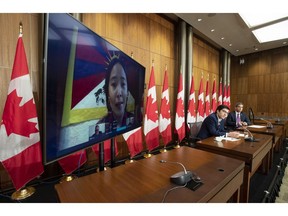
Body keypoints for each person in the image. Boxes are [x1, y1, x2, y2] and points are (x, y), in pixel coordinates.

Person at [98, 56, 133, 132]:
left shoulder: (133, 121)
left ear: (127, 92)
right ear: (108, 93)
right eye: (114, 84)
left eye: (123, 84)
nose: (119, 93)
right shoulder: (101, 126)